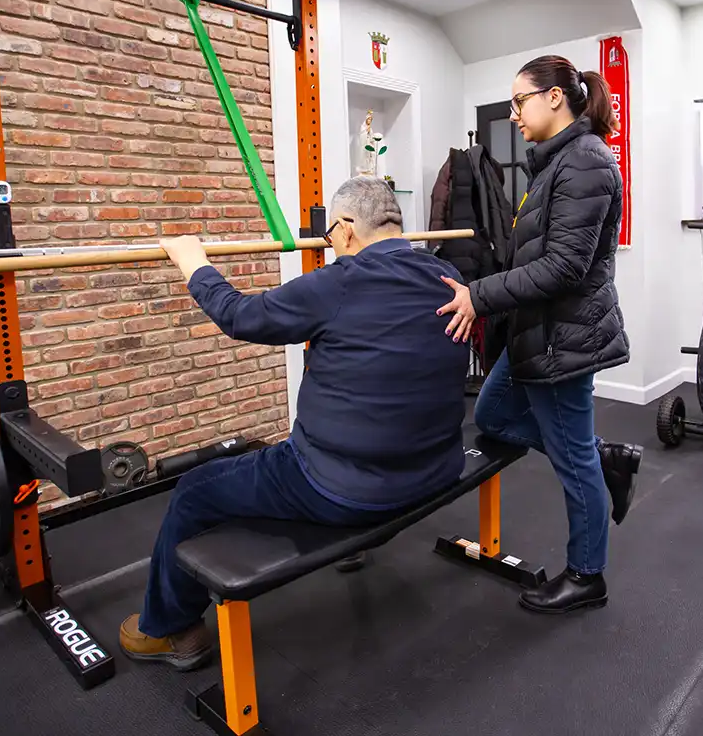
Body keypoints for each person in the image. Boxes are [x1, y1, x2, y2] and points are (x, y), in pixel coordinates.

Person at [120, 176, 471, 670]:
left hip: (342, 490)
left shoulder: (339, 283)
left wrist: (192, 261)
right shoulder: (447, 274)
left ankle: (167, 629)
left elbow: (239, 315)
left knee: (193, 491)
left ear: (345, 229)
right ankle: (350, 547)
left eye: (330, 236)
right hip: (437, 468)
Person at [437, 54, 640, 615]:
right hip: (535, 331)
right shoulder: (554, 163)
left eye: (520, 101)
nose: (513, 113)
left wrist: (478, 296)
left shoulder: (586, 161)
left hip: (563, 340)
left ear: (555, 97)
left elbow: (563, 267)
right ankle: (604, 457)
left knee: (573, 461)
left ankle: (587, 575)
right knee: (493, 414)